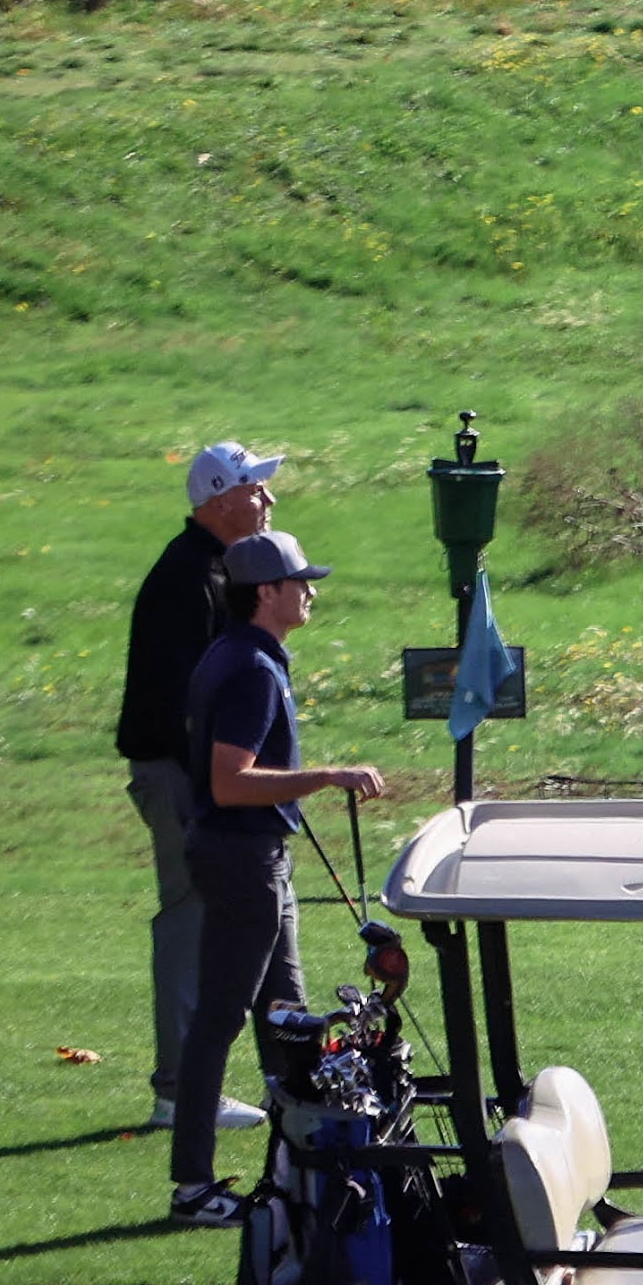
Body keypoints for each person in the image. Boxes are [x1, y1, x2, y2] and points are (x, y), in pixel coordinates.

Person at [164, 533, 389, 1226]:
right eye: (301, 581)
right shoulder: (252, 667)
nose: (311, 591)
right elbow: (231, 784)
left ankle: (304, 1165)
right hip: (242, 859)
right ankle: (192, 1187)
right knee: (220, 1022)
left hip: (255, 855)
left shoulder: (243, 655)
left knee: (286, 1016)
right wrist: (325, 776)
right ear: (267, 592)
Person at [117, 442, 280, 1138]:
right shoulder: (189, 578)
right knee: (189, 922)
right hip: (181, 777)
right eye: (254, 489)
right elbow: (184, 704)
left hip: (192, 774)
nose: (267, 500)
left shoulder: (212, 569)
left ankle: (194, 1084)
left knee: (207, 921)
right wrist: (223, 785)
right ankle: (180, 1091)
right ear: (219, 499)